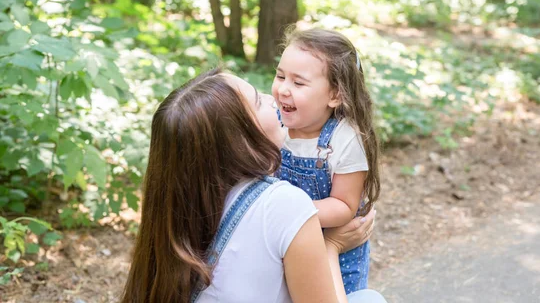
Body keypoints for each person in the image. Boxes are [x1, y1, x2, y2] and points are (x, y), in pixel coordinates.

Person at [120, 68, 387, 303]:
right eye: (259, 102)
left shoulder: (186, 205)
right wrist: (332, 247)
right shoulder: (284, 205)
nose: (274, 98)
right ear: (240, 139)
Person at [272, 28, 380, 294]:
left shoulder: (345, 140)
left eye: (298, 83)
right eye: (280, 75)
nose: (283, 89)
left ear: (335, 95)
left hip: (334, 247)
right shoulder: (272, 124)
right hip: (283, 242)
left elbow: (344, 205)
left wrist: (292, 212)